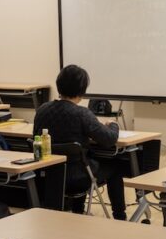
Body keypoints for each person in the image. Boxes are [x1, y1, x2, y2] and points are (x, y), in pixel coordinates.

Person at [33, 64, 126, 220]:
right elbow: (109, 139)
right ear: (82, 91)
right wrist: (113, 124)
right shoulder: (82, 114)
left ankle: (78, 211)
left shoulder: (42, 110)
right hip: (77, 179)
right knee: (115, 167)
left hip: (46, 177)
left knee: (80, 159)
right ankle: (120, 217)